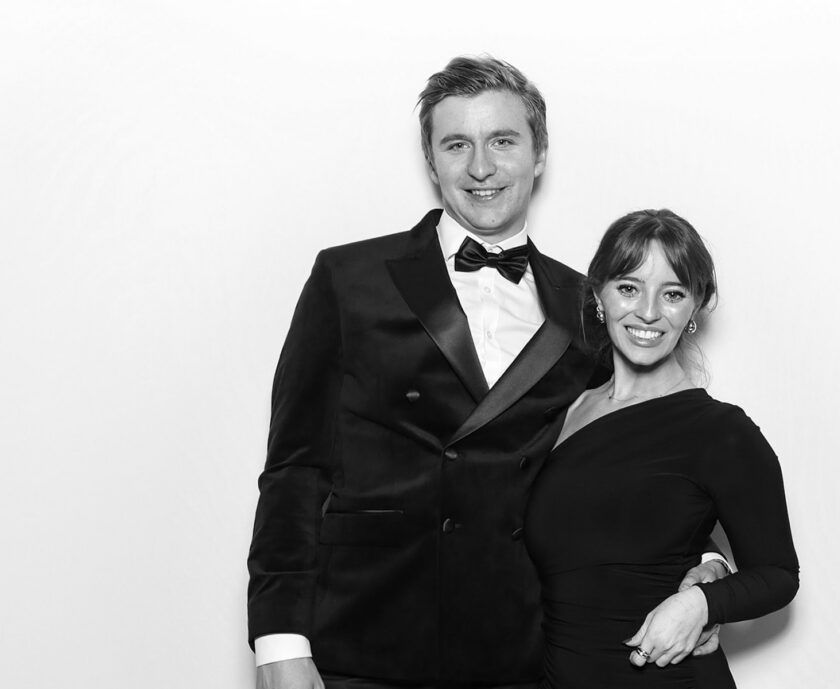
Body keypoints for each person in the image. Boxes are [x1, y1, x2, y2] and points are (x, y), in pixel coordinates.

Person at [247, 58, 729, 689]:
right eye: (457, 145)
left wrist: (709, 570)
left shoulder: (587, 304)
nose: (481, 167)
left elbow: (648, 455)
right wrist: (280, 642)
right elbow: (294, 471)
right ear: (431, 160)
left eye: (503, 141)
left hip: (524, 646)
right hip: (363, 641)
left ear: (539, 153)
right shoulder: (348, 280)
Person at [525, 209, 800, 688]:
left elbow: (778, 574)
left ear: (694, 308)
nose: (648, 312)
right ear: (598, 296)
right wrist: (712, 561)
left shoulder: (721, 432)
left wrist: (702, 603)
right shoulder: (565, 406)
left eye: (672, 294)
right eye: (629, 288)